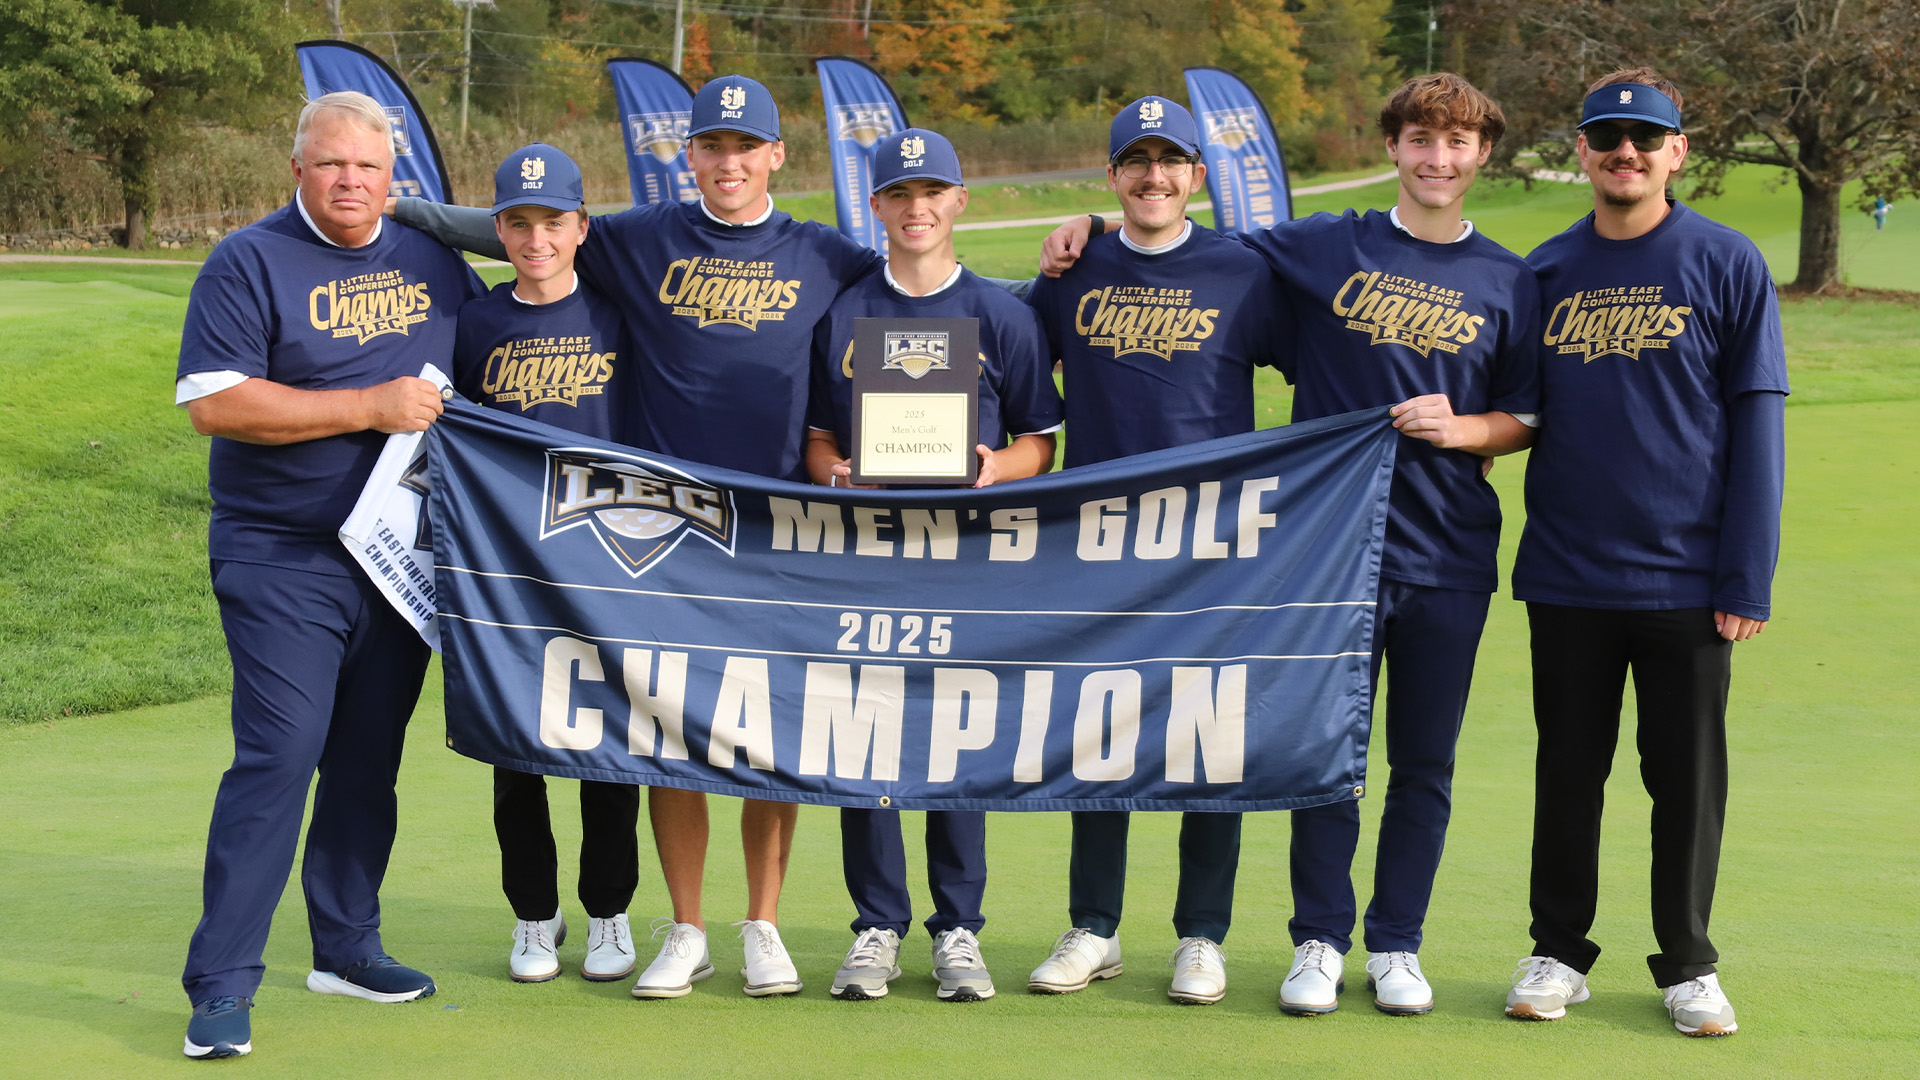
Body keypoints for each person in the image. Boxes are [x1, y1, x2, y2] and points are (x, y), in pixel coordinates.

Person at [1041, 75, 1541, 1017]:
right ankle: (1317, 940)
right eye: (1421, 139)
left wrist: (1465, 430)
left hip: (1449, 552)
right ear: (1392, 146)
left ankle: (1396, 946)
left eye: (1458, 143)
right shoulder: (1322, 246)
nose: (1438, 158)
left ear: (1481, 156)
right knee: (1325, 755)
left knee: (1422, 763)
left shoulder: (1512, 280)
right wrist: (1089, 224)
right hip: (1324, 553)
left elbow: (1522, 416)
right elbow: (1175, 242)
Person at [393, 74, 885, 999]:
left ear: (777, 154)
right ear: (687, 155)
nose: (729, 162)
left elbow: (915, 277)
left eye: (747, 147)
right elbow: (514, 228)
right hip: (664, 525)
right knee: (668, 730)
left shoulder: (825, 252)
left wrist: (1076, 249)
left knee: (769, 730)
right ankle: (686, 925)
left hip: (777, 523)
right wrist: (397, 202)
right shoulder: (638, 235)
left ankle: (765, 925)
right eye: (712, 146)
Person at [172, 90, 483, 1059]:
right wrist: (368, 407)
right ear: (297, 167)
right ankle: (222, 984)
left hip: (398, 559)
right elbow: (216, 404)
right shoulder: (249, 260)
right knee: (282, 752)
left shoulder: (432, 260)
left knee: (365, 760)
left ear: (398, 182)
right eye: (333, 163)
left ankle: (346, 947)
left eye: (370, 168)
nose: (351, 182)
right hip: (282, 555)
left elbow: (522, 305)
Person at [1504, 68, 1786, 1039]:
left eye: (1645, 137)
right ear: (1580, 151)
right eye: (1608, 136)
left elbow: (1759, 431)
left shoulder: (1726, 262)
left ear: (1679, 150)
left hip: (1690, 581)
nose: (1626, 151)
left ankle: (1689, 965)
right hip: (1568, 575)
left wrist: (1746, 574)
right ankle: (1555, 952)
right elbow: (1511, 414)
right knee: (1568, 775)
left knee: (1687, 782)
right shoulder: (1542, 273)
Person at [1023, 96, 1283, 1006]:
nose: (1154, 177)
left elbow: (1328, 367)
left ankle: (1202, 935)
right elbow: (1007, 369)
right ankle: (1095, 927)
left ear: (1198, 178)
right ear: (1112, 179)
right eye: (1136, 162)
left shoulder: (1243, 272)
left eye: (1171, 161)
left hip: (1216, 545)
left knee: (1209, 738)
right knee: (1104, 732)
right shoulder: (1072, 269)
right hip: (1101, 543)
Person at [802, 127, 1062, 1003]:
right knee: (865, 736)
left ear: (958, 202)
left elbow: (1042, 442)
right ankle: (876, 924)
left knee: (956, 739)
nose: (916, 210)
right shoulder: (842, 313)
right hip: (866, 559)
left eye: (932, 194)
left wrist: (994, 468)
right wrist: (839, 474)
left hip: (966, 561)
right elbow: (817, 440)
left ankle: (958, 929)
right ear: (874, 207)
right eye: (898, 196)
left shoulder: (1002, 315)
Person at [450, 144, 643, 985]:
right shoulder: (477, 322)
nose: (536, 239)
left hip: (605, 562)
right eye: (520, 223)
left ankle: (608, 912)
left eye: (553, 223)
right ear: (499, 229)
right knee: (515, 751)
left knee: (606, 748)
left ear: (580, 227)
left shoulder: (616, 314)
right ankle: (534, 915)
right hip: (509, 566)